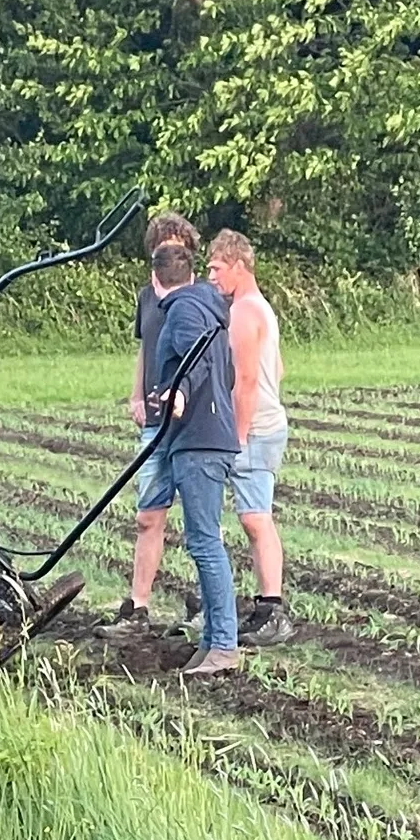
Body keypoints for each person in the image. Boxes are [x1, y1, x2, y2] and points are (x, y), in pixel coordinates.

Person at [187, 227, 295, 645]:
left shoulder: (245, 313)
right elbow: (279, 370)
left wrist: (236, 436)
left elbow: (245, 381)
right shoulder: (259, 308)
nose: (211, 276)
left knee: (254, 518)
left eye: (215, 268)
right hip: (264, 424)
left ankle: (271, 611)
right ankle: (231, 604)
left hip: (255, 429)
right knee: (249, 518)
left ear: (237, 265)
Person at [98, 212, 200, 639]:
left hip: (193, 424)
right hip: (155, 423)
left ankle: (205, 604)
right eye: (163, 246)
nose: (170, 252)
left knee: (200, 520)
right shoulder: (147, 298)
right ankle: (138, 607)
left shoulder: (206, 299)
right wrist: (137, 395)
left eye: (177, 245)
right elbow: (146, 348)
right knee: (147, 516)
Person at [147, 243, 243, 675]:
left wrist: (180, 392)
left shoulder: (184, 311)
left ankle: (224, 644)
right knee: (202, 541)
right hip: (208, 435)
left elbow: (197, 360)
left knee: (205, 543)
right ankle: (209, 643)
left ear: (155, 280)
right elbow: (226, 371)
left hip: (199, 441)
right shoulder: (208, 309)